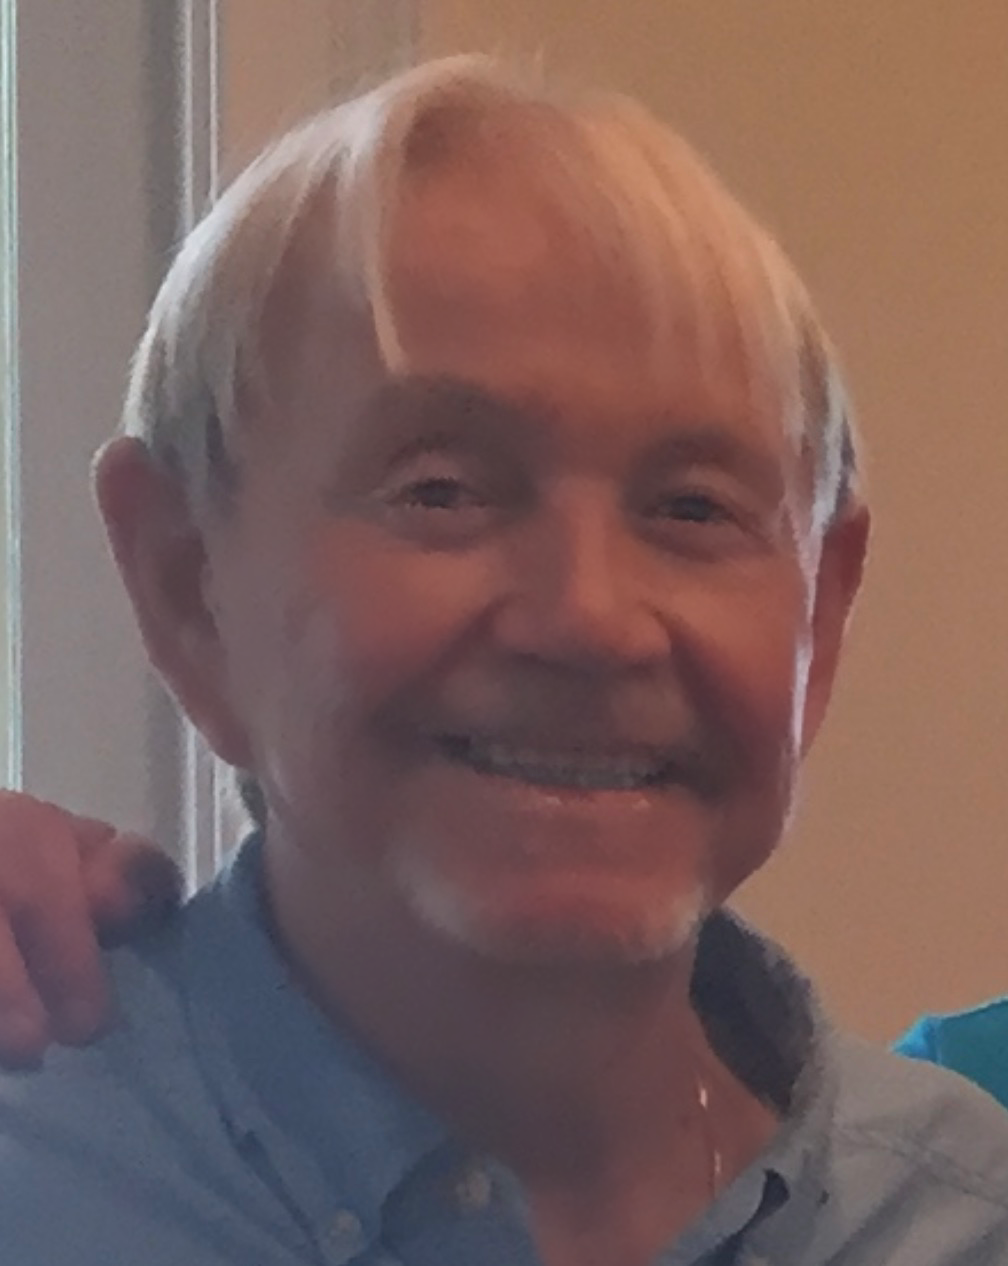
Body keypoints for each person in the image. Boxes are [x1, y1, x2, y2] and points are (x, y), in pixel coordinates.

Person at [3, 53, 1008, 1266]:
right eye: (441, 490)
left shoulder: (959, 1214)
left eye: (694, 508)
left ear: (821, 612)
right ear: (186, 583)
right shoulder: (40, 1176)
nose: (590, 618)